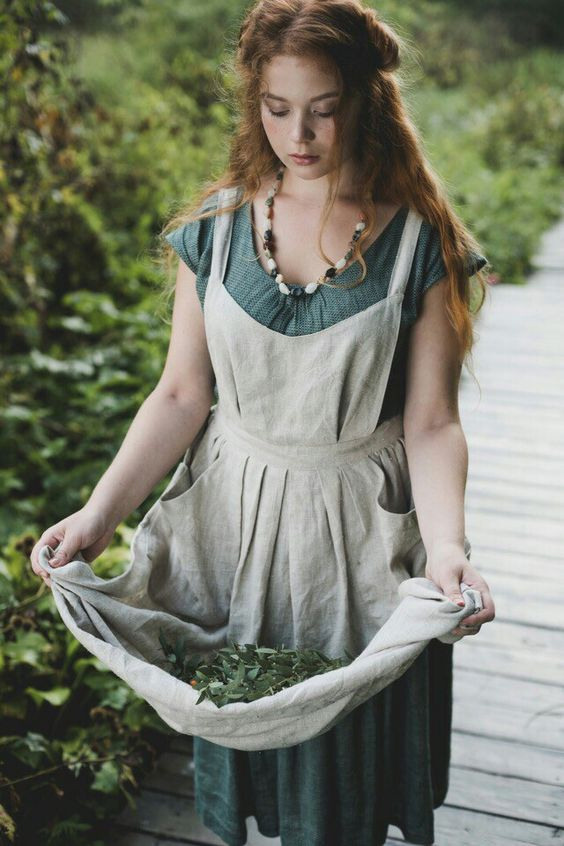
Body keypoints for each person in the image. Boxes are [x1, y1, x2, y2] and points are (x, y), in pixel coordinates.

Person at [31, 0, 496, 844]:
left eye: (323, 108)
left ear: (365, 100)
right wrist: (100, 518)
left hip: (361, 534)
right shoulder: (215, 230)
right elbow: (180, 394)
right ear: (255, 104)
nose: (300, 134)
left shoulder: (418, 240)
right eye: (278, 109)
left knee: (346, 758)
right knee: (250, 709)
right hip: (237, 527)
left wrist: (451, 547)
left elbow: (431, 423)